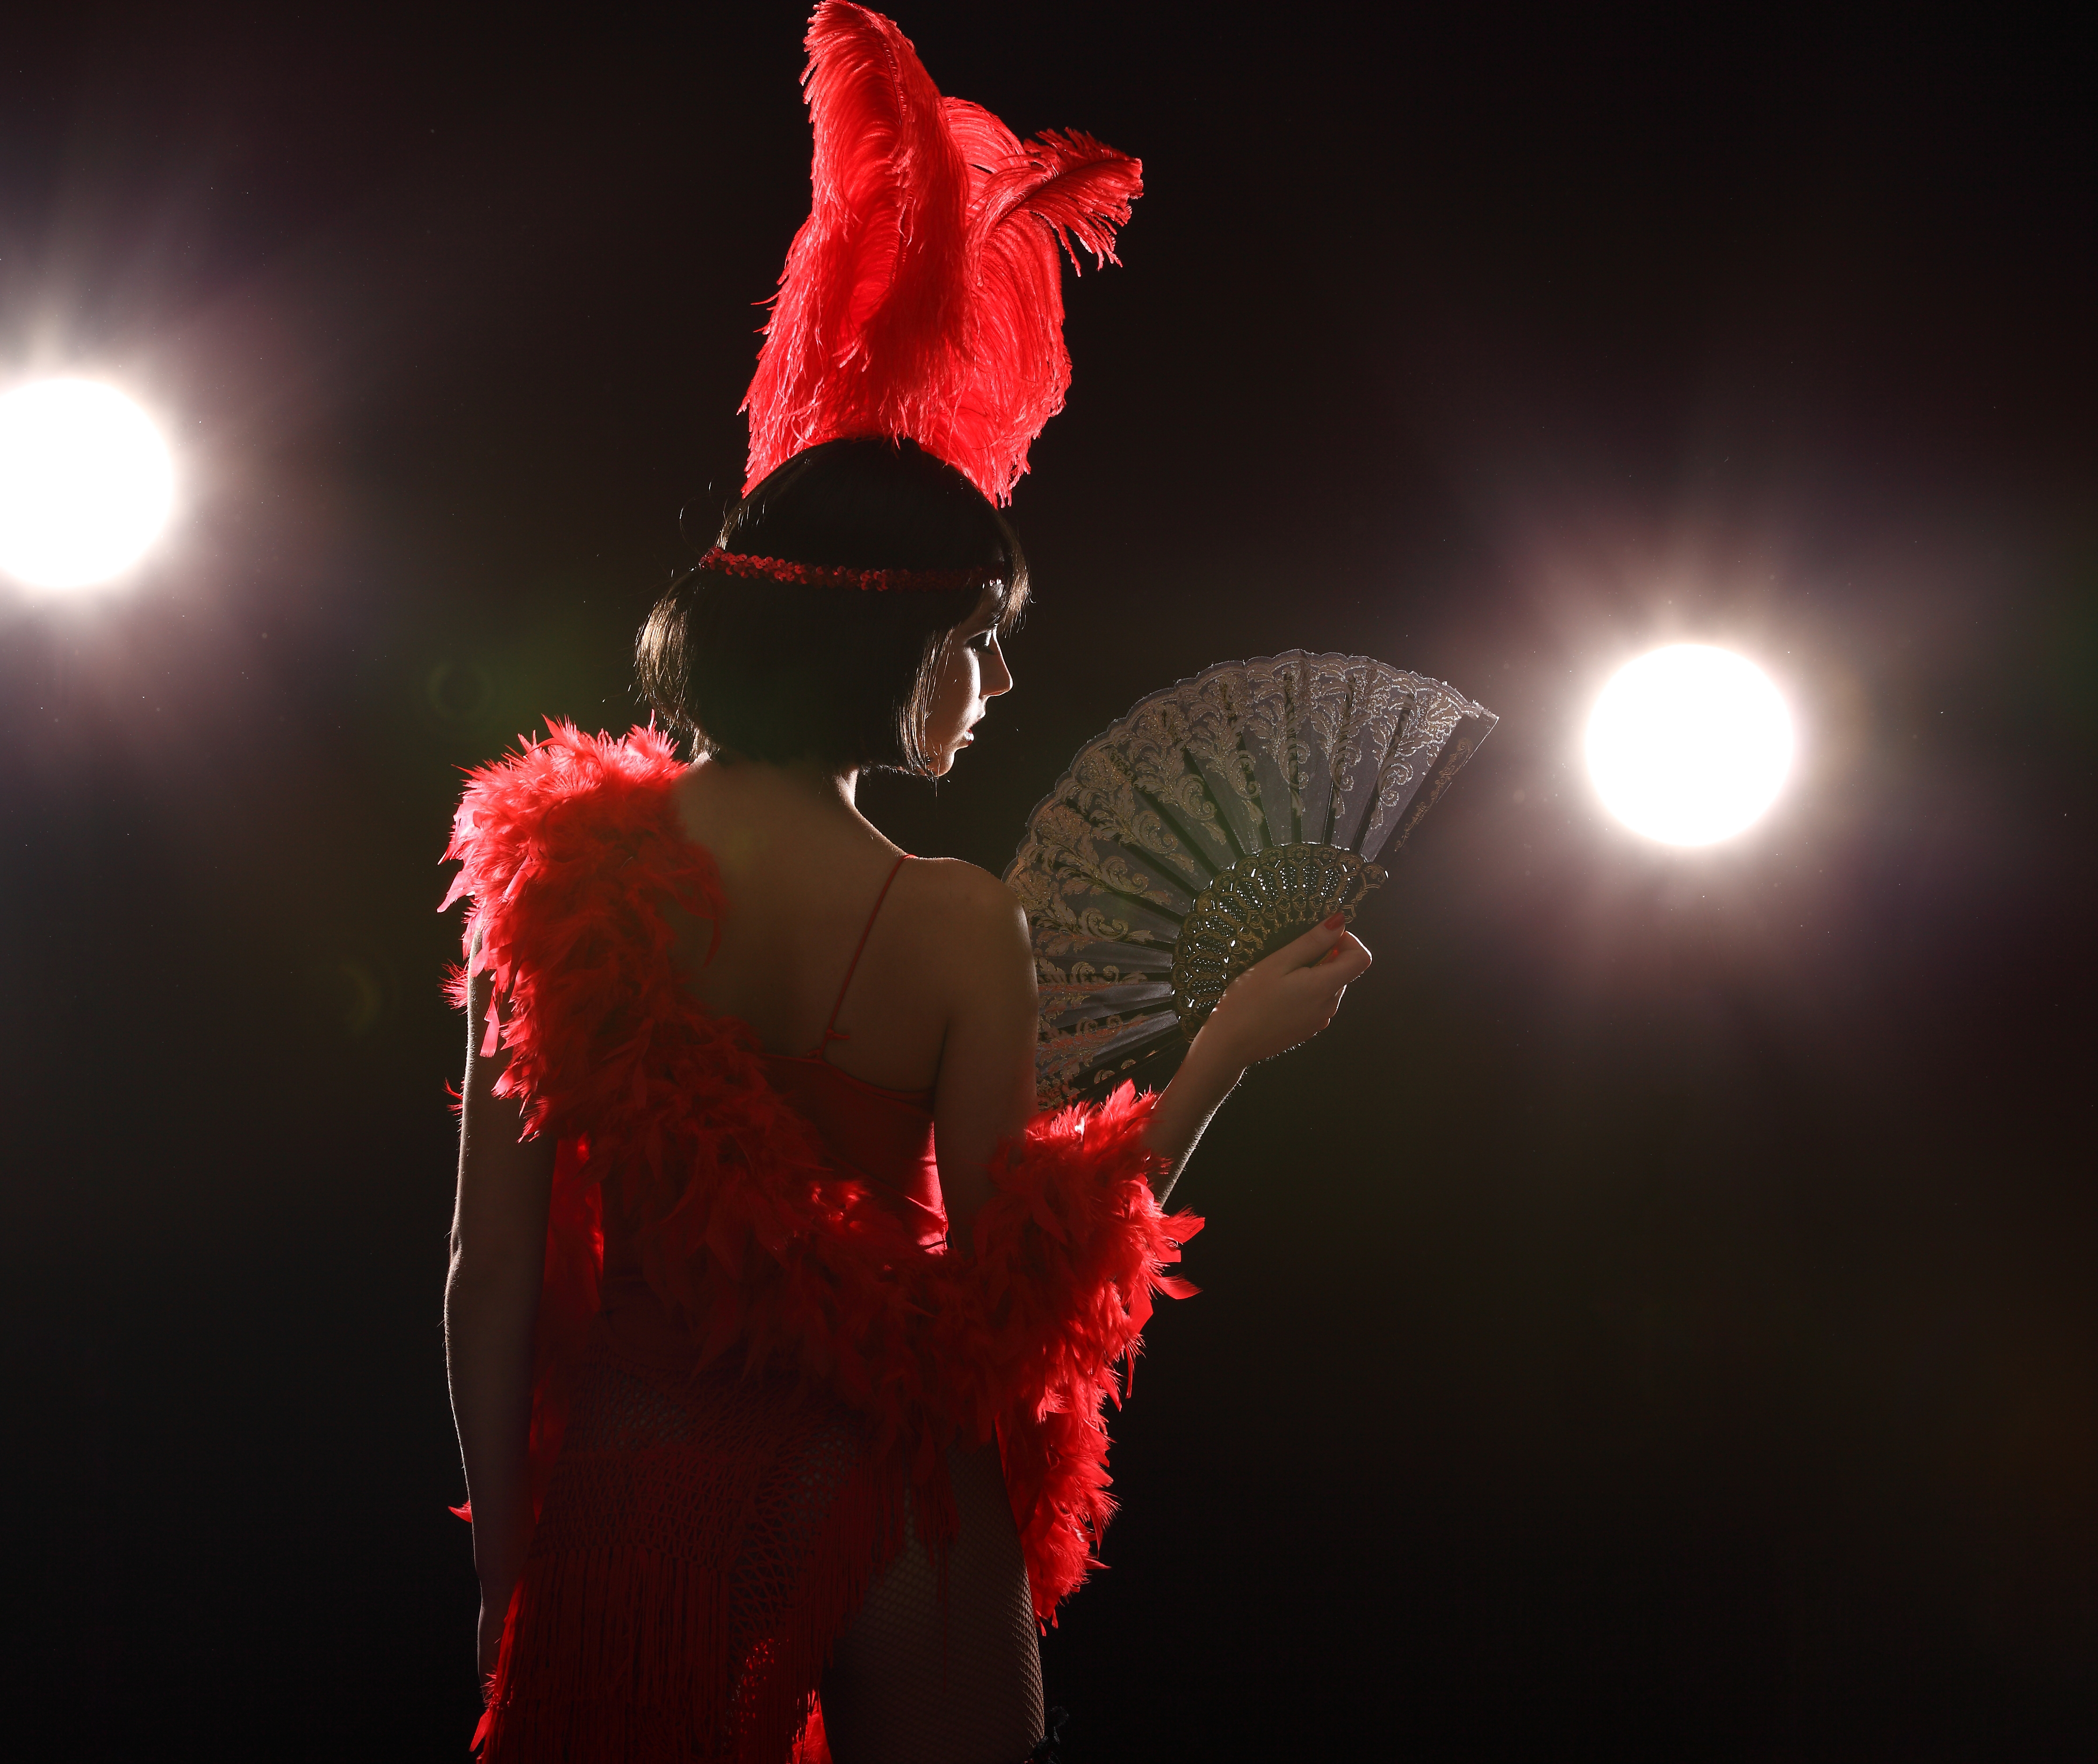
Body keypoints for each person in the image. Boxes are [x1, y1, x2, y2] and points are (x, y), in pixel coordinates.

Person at [442, 12, 1370, 1763]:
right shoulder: (950, 920)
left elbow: (491, 1269)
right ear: (887, 637)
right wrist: (1226, 1053)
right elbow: (1013, 1296)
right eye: (979, 642)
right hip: (900, 1491)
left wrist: (509, 1565)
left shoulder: (546, 885)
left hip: (643, 1496)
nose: (998, 688)